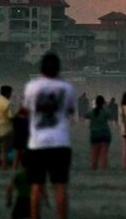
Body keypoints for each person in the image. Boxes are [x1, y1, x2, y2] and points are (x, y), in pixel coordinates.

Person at [22, 53, 75, 219]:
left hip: (37, 143)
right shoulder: (67, 88)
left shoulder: (32, 87)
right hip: (60, 142)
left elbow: (25, 109)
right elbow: (70, 111)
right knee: (60, 186)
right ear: (59, 68)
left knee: (36, 187)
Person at [86, 95, 112, 170]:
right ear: (103, 103)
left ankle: (94, 167)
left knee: (94, 153)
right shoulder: (105, 111)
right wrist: (106, 106)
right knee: (104, 153)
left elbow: (86, 115)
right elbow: (110, 115)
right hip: (105, 133)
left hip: (94, 134)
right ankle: (103, 168)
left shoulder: (92, 112)